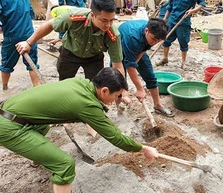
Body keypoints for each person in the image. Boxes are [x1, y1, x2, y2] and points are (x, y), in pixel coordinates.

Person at [0, 67, 159, 193]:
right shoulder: (87, 105)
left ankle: (40, 158)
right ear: (104, 90)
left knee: (43, 125)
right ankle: (53, 165)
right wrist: (143, 148)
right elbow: (115, 137)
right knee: (65, 165)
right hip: (9, 127)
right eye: (117, 96)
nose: (116, 100)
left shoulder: (80, 83)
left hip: (9, 109)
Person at [16, 0, 124, 83]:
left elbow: (118, 66)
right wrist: (29, 43)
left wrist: (121, 90)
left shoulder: (113, 35)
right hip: (69, 53)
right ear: (92, 15)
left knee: (95, 86)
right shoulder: (73, 18)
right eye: (104, 20)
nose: (108, 25)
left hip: (94, 58)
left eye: (111, 20)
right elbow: (49, 25)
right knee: (64, 82)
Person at [117, 18, 173, 117]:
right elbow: (130, 67)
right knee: (117, 80)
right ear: (146, 31)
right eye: (154, 39)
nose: (155, 42)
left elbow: (144, 49)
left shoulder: (153, 34)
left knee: (150, 76)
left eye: (158, 41)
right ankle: (119, 110)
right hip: (119, 49)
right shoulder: (132, 38)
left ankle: (158, 105)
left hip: (138, 48)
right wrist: (139, 89)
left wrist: (135, 62)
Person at [156, 0, 206, 69]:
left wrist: (193, 10)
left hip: (183, 21)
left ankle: (183, 63)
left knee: (183, 42)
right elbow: (170, 4)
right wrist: (165, 19)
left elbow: (202, 3)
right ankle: (165, 58)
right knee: (166, 39)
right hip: (172, 19)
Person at [0, 0, 39, 90]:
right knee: (33, 64)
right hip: (30, 35)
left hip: (12, 36)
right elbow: (31, 14)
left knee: (6, 65)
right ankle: (38, 89)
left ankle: (5, 89)